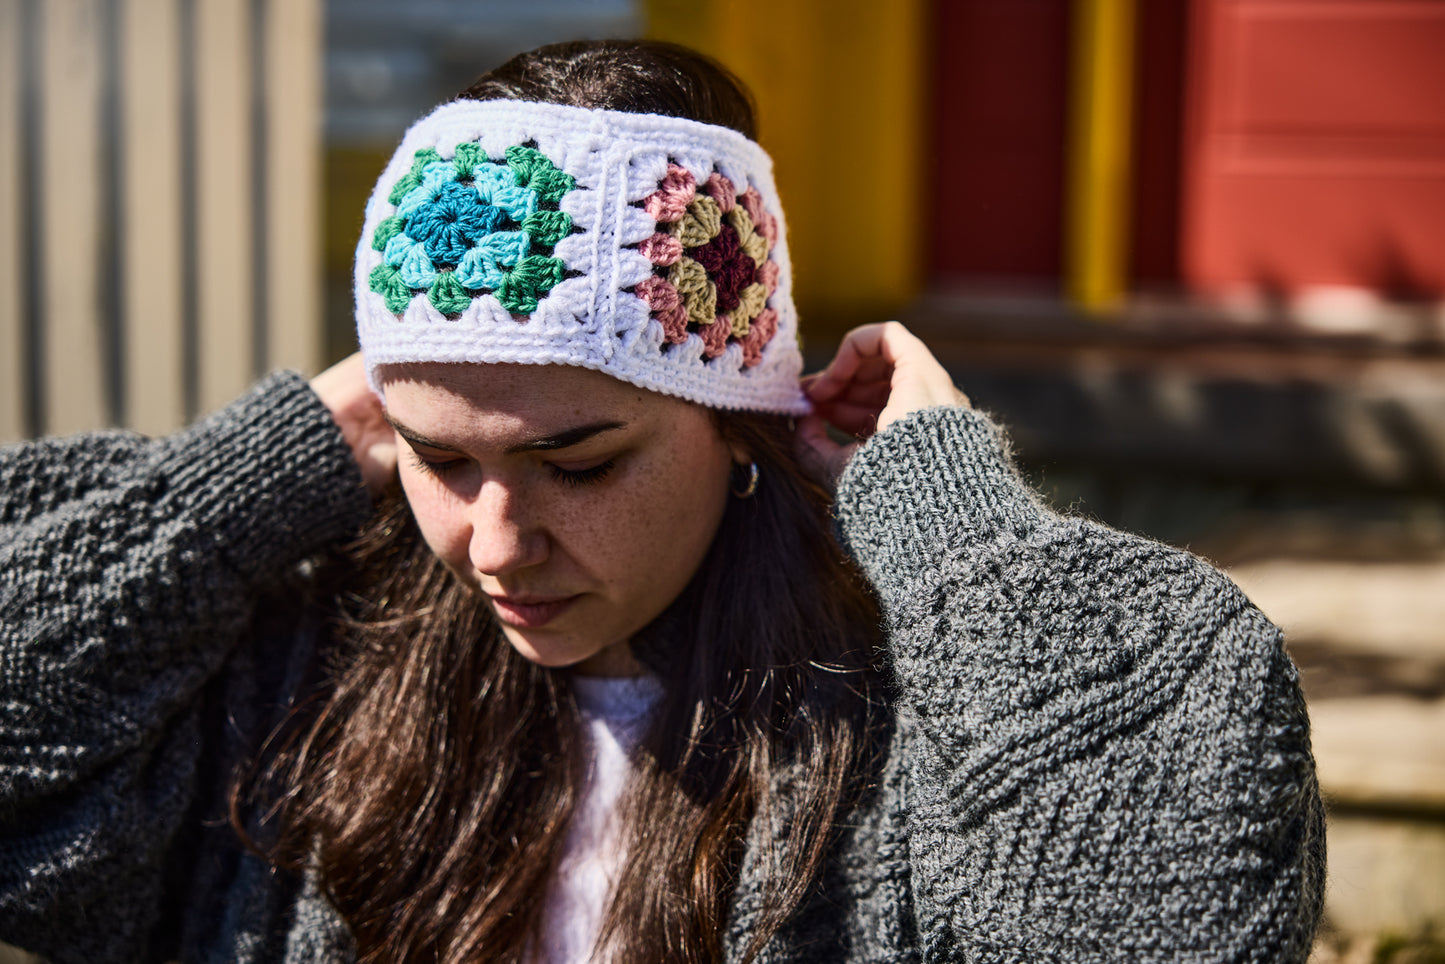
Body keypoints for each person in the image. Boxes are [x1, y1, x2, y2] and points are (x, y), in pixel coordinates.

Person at [0, 39, 1323, 964]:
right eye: (440, 460)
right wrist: (259, 473)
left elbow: (1153, 916)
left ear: (737, 427)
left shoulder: (909, 709)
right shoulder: (301, 678)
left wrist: (957, 533)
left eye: (580, 462)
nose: (496, 546)